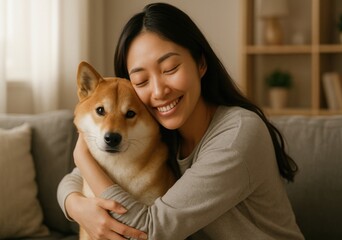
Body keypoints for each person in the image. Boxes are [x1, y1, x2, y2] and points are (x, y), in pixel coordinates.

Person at [57, 3, 304, 240]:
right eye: (141, 81)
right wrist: (76, 206)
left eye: (170, 68)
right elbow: (75, 179)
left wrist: (82, 155)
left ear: (201, 63)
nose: (158, 91)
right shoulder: (160, 130)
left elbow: (151, 232)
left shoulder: (237, 134)